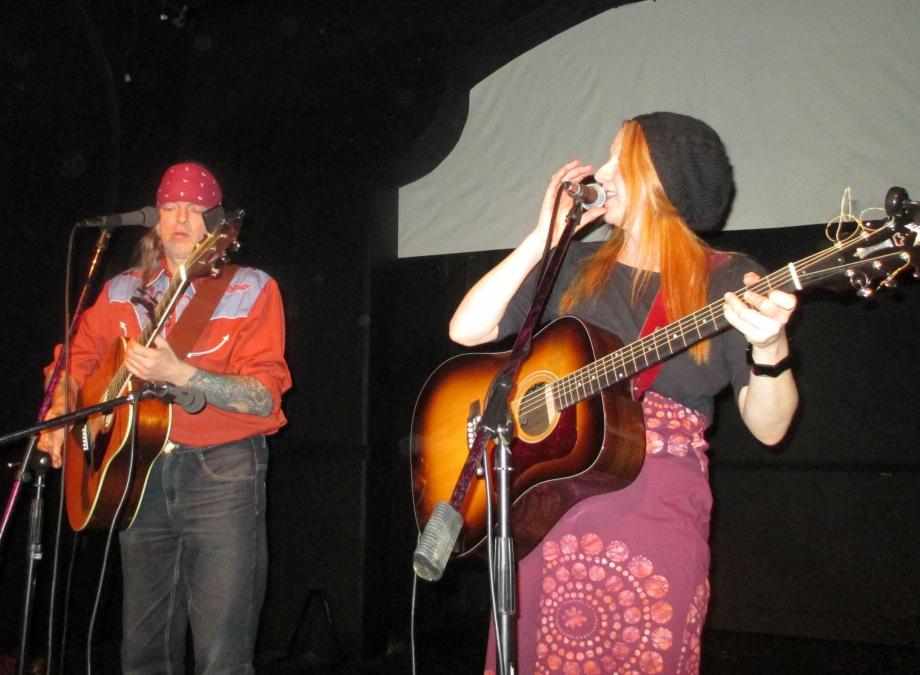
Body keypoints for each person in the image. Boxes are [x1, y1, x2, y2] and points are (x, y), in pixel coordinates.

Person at [449, 112, 798, 674]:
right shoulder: (574, 265)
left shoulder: (728, 278)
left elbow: (770, 426)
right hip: (548, 501)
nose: (603, 171)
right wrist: (545, 236)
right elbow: (467, 329)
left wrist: (772, 346)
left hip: (653, 511)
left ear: (661, 177)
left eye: (620, 159)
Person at [37, 161, 292, 673]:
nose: (180, 218)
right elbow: (71, 363)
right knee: (143, 651)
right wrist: (63, 413)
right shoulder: (118, 293)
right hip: (136, 473)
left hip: (221, 475)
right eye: (170, 207)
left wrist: (185, 376)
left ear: (215, 222)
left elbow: (264, 396)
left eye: (195, 210)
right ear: (155, 218)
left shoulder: (252, 288)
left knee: (222, 652)